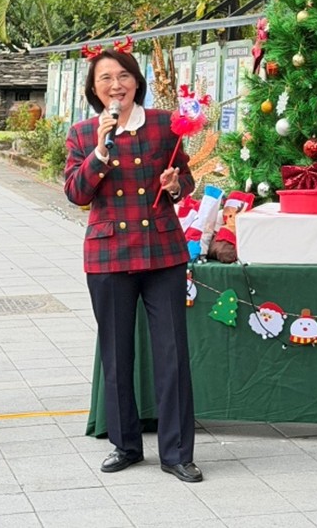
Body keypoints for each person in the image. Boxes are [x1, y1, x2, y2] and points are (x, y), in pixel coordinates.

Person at [64, 44, 202, 483]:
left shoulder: (164, 125)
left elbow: (186, 179)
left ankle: (178, 452)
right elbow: (76, 193)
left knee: (171, 352)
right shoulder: (84, 133)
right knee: (117, 352)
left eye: (122, 76)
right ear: (94, 89)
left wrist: (175, 183)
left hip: (162, 251)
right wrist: (101, 153)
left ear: (136, 82)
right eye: (105, 79)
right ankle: (125, 446)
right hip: (107, 254)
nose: (115, 85)